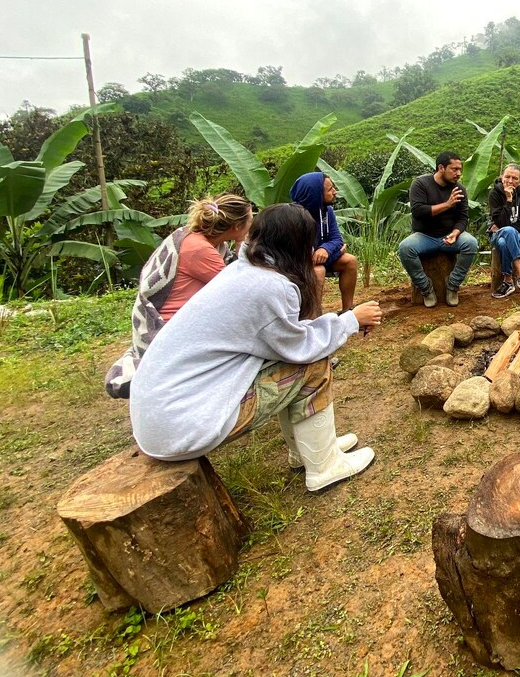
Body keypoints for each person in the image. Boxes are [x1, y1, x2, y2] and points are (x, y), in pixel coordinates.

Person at [130, 204, 382, 491]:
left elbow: (284, 340)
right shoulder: (269, 286)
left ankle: (306, 450)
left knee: (294, 364)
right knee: (313, 364)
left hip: (162, 415)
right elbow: (300, 347)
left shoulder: (244, 270)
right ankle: (324, 467)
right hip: (182, 426)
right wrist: (350, 320)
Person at [104, 194, 253, 399]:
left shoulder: (193, 236)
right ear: (236, 227)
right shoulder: (200, 250)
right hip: (172, 324)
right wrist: (244, 245)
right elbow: (239, 288)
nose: (252, 224)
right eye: (250, 219)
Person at [398, 151, 478, 308]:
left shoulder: (459, 189)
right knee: (405, 248)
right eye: (454, 169)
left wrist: (455, 234)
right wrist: (447, 205)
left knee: (471, 243)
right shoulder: (420, 184)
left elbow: (463, 218)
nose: (458, 173)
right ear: (441, 168)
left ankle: (453, 284)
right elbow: (418, 211)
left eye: (460, 169)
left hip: (450, 236)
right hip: (424, 236)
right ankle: (426, 288)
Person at [290, 171, 359, 312]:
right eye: (330, 189)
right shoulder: (295, 217)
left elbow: (336, 239)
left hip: (319, 260)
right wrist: (337, 252)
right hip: (297, 264)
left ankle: (348, 310)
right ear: (316, 193)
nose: (335, 192)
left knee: (350, 261)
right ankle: (314, 316)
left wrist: (326, 249)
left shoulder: (327, 211)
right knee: (318, 271)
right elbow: (307, 259)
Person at [488, 164, 520, 298]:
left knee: (505, 240)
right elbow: (501, 222)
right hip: (496, 236)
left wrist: (509, 230)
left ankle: (508, 281)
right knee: (505, 234)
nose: (510, 181)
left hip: (519, 236)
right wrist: (508, 200)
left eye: (514, 178)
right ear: (502, 177)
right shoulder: (495, 194)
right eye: (507, 177)